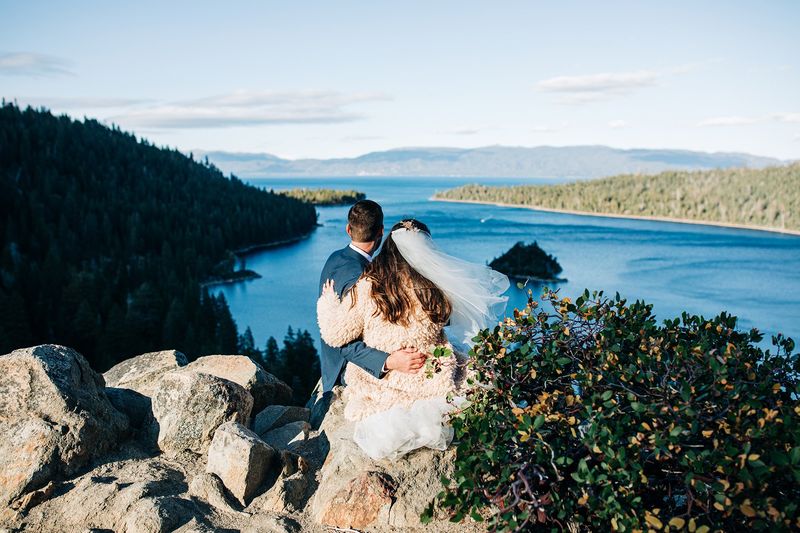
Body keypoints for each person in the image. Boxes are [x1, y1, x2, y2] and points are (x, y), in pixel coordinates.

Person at [317, 218, 509, 459]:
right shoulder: (435, 291)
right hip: (430, 374)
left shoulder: (368, 287)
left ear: (388, 249)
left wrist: (328, 302)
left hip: (387, 380)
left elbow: (336, 334)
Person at [317, 200, 430, 395]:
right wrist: (389, 361)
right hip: (346, 370)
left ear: (348, 229)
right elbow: (344, 342)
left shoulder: (336, 257)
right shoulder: (363, 279)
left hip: (331, 364)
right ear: (380, 232)